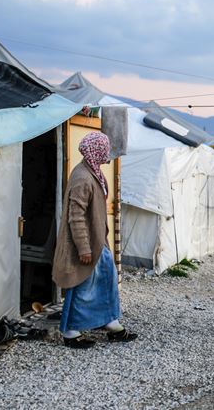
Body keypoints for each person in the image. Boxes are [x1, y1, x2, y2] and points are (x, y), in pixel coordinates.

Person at [52, 132, 137, 349]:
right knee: (83, 287)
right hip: (88, 245)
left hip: (98, 242)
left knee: (106, 280)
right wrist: (84, 248)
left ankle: (111, 323)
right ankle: (71, 332)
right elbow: (76, 216)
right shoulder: (82, 177)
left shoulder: (93, 172)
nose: (107, 153)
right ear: (96, 150)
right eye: (104, 149)